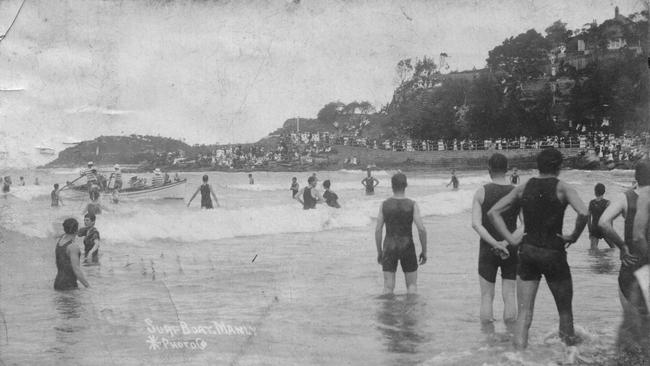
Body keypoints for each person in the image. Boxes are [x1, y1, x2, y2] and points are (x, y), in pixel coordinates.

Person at [488, 148, 588, 354]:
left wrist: (510, 240)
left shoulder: (524, 187)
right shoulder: (563, 188)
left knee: (524, 314)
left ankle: (517, 358)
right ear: (559, 167)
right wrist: (574, 236)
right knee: (565, 312)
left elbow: (493, 212)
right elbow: (584, 212)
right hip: (553, 253)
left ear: (538, 166)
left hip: (528, 252)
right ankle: (568, 358)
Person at [601, 161, 650, 363]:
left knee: (631, 326)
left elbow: (603, 222)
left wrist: (621, 245)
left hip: (630, 265)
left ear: (635, 177)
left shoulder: (625, 197)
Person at [471, 154, 520, 335]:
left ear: (489, 169)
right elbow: (525, 225)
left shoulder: (481, 192)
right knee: (509, 295)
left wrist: (495, 243)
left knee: (486, 296)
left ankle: (488, 344)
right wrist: (506, 242)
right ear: (507, 169)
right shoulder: (516, 191)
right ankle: (511, 337)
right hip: (511, 248)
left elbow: (476, 224)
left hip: (487, 248)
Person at [375, 173, 427, 294]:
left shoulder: (384, 204)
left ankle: (388, 312)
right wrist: (424, 251)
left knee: (388, 287)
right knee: (412, 286)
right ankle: (410, 311)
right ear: (406, 185)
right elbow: (421, 229)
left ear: (392, 186)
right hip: (407, 246)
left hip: (389, 246)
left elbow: (378, 230)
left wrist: (379, 252)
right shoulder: (412, 204)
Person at [54, 218, 90, 290]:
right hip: (68, 284)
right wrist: (88, 286)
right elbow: (76, 269)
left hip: (57, 282)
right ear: (76, 230)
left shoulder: (60, 241)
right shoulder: (73, 247)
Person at [588, 183, 614, 250]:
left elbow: (588, 217)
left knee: (593, 250)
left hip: (594, 228)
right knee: (614, 248)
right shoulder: (607, 203)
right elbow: (610, 218)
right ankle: (605, 256)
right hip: (604, 228)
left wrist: (590, 230)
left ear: (595, 192)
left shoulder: (591, 202)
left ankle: (598, 257)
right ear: (604, 192)